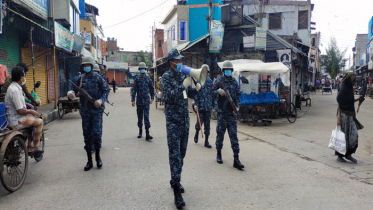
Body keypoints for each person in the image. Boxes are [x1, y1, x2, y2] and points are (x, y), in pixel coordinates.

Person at [162, 48, 201, 209]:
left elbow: (187, 94)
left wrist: (196, 88)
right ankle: (177, 191)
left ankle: (174, 180)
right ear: (171, 62)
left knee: (182, 153)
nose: (180, 63)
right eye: (177, 60)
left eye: (180, 60)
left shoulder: (182, 76)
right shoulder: (166, 77)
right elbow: (169, 96)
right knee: (175, 155)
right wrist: (181, 86)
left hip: (185, 121)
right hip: (173, 123)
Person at [69, 56, 109, 171]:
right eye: (84, 65)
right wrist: (71, 93)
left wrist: (100, 100)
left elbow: (105, 90)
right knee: (87, 135)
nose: (86, 67)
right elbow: (74, 89)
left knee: (96, 134)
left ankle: (98, 157)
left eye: (88, 65)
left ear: (91, 66)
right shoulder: (80, 78)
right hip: (85, 112)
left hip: (96, 111)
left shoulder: (98, 78)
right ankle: (89, 161)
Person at [212, 60, 244, 170]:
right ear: (223, 70)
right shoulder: (218, 81)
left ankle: (236, 158)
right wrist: (218, 91)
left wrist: (238, 107)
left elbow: (239, 95)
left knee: (234, 136)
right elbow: (211, 92)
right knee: (220, 134)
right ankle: (219, 153)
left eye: (229, 70)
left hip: (232, 114)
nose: (228, 72)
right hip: (222, 113)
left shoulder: (235, 82)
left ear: (231, 70)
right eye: (226, 70)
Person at [5, 66, 43, 157]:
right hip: (17, 121)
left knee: (32, 119)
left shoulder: (15, 87)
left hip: (16, 118)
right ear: (21, 78)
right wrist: (32, 112)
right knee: (39, 122)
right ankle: (35, 147)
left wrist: (29, 112)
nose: (25, 77)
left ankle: (30, 145)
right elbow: (20, 110)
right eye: (24, 75)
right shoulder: (15, 90)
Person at [336, 72, 363, 163]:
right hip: (343, 115)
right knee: (344, 135)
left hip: (351, 114)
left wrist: (358, 99)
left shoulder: (350, 89)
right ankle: (340, 155)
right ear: (349, 79)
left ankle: (348, 154)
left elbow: (349, 101)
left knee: (353, 134)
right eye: (353, 79)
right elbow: (340, 102)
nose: (354, 81)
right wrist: (339, 118)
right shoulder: (343, 89)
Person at [131, 62, 154, 141]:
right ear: (139, 70)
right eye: (141, 69)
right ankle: (140, 131)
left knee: (146, 117)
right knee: (140, 117)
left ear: (145, 70)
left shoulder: (148, 79)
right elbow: (134, 90)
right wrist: (133, 100)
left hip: (146, 101)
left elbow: (151, 88)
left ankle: (147, 133)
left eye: (143, 69)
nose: (142, 70)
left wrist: (152, 97)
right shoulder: (137, 79)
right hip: (139, 101)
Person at [193, 72, 213, 148]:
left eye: (207, 72)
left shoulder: (210, 82)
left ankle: (206, 141)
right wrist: (196, 104)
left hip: (208, 106)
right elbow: (196, 93)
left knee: (207, 125)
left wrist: (214, 105)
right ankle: (197, 133)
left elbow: (212, 94)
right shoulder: (198, 81)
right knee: (199, 123)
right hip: (200, 106)